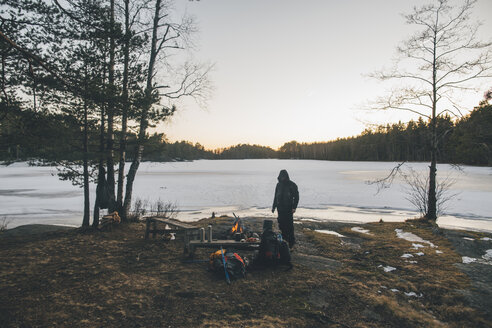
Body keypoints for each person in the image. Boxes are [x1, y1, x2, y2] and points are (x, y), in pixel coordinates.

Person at [271, 169, 299, 248]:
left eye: (284, 176)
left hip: (288, 208)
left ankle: (291, 243)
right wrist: (274, 206)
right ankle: (284, 241)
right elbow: (276, 196)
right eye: (281, 176)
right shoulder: (278, 185)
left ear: (286, 176)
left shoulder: (292, 185)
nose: (282, 178)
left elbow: (296, 197)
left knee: (289, 226)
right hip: (280, 209)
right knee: (281, 225)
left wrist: (294, 207)